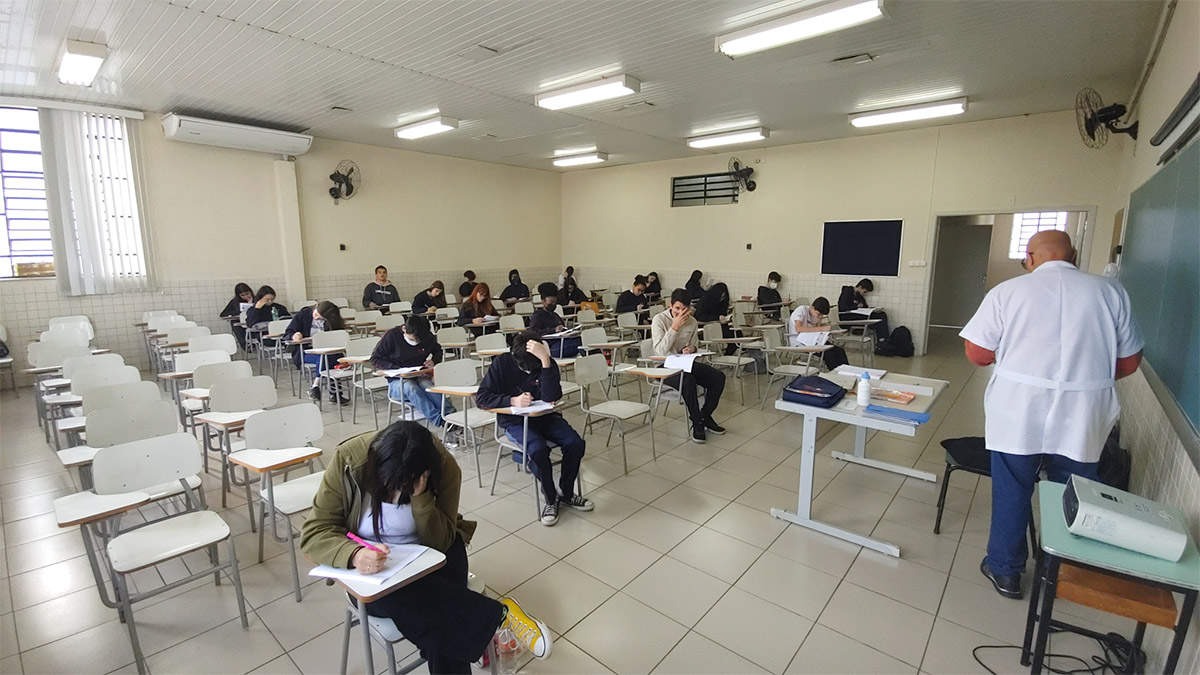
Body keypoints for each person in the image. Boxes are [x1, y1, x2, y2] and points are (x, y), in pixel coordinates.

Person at [961, 231, 1143, 600]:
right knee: (1073, 491)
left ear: (1029, 258)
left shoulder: (1007, 292)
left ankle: (1006, 571)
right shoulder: (1110, 292)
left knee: (1013, 488)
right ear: (1074, 255)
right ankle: (1060, 573)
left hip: (1018, 408)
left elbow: (977, 353)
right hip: (1083, 411)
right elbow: (1129, 362)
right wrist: (1086, 380)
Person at [300, 422, 552, 674]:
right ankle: (498, 617)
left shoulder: (445, 467)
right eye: (390, 486)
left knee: (438, 620)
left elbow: (442, 540)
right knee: (438, 624)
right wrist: (354, 554)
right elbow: (313, 534)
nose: (397, 496)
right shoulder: (349, 462)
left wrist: (421, 499)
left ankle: (479, 625)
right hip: (375, 574)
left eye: (406, 487)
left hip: (433, 554)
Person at [476, 331, 592, 526]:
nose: (530, 372)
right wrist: (511, 400)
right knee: (537, 449)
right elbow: (482, 398)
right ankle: (551, 498)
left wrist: (545, 361)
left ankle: (567, 493)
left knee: (575, 443)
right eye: (526, 368)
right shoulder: (502, 363)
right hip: (514, 421)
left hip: (546, 417)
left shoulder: (545, 361)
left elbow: (551, 396)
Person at [650, 289, 727, 444]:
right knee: (688, 380)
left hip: (684, 362)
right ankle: (697, 421)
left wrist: (692, 348)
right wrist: (674, 327)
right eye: (677, 308)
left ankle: (704, 416)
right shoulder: (659, 320)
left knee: (718, 377)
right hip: (663, 365)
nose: (681, 313)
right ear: (670, 305)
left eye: (684, 309)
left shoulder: (692, 321)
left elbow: (695, 345)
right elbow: (660, 350)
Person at [372, 315, 458, 439]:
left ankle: (452, 416)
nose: (416, 342)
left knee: (428, 386)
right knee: (411, 388)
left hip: (418, 374)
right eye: (413, 339)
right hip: (397, 380)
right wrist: (396, 368)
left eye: (419, 341)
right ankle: (442, 421)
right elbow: (375, 359)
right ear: (404, 329)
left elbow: (437, 350)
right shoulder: (392, 336)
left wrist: (434, 360)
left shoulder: (427, 336)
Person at [285, 300, 347, 404]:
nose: (317, 318)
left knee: (331, 357)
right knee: (326, 358)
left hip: (326, 350)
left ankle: (315, 386)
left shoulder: (332, 320)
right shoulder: (303, 315)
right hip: (306, 351)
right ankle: (335, 394)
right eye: (316, 314)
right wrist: (295, 335)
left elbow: (338, 334)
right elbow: (288, 333)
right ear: (316, 307)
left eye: (321, 317)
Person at [530, 282, 581, 358]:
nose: (553, 305)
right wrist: (553, 330)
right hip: (549, 347)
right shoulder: (538, 315)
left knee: (583, 339)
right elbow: (535, 332)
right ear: (543, 302)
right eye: (550, 303)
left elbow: (563, 328)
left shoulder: (555, 315)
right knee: (579, 342)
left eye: (555, 303)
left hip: (561, 342)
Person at [694, 282, 736, 355]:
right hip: (707, 327)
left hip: (718, 325)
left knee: (737, 334)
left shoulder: (722, 302)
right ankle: (726, 357)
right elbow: (700, 316)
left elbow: (722, 314)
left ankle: (728, 355)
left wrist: (726, 319)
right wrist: (717, 318)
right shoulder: (705, 300)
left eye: (723, 298)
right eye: (721, 297)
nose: (722, 299)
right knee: (733, 336)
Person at [219, 283, 254, 350]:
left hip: (253, 322)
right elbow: (223, 314)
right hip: (241, 324)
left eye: (247, 294)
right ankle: (246, 346)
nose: (246, 296)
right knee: (234, 323)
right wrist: (238, 312)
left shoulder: (256, 299)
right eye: (242, 295)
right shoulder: (235, 302)